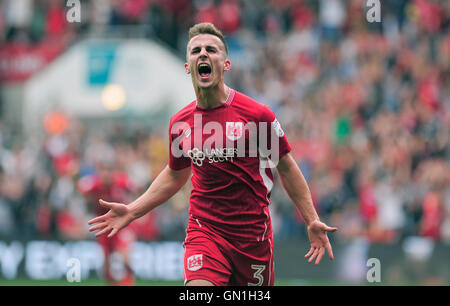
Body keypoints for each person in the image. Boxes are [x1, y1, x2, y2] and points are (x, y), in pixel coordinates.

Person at [88, 22, 337, 286]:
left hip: (252, 238)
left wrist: (311, 220)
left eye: (211, 50)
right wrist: (133, 210)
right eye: (196, 50)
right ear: (188, 67)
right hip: (204, 231)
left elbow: (286, 167)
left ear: (225, 64)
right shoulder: (180, 123)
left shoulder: (257, 115)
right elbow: (175, 174)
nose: (203, 54)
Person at [79, 159, 137, 286]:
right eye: (103, 171)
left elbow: (136, 190)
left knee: (125, 258)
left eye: (108, 171)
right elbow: (81, 189)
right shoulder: (94, 184)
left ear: (113, 172)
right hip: (104, 227)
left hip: (122, 225)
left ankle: (129, 283)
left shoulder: (122, 182)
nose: (105, 174)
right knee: (106, 262)